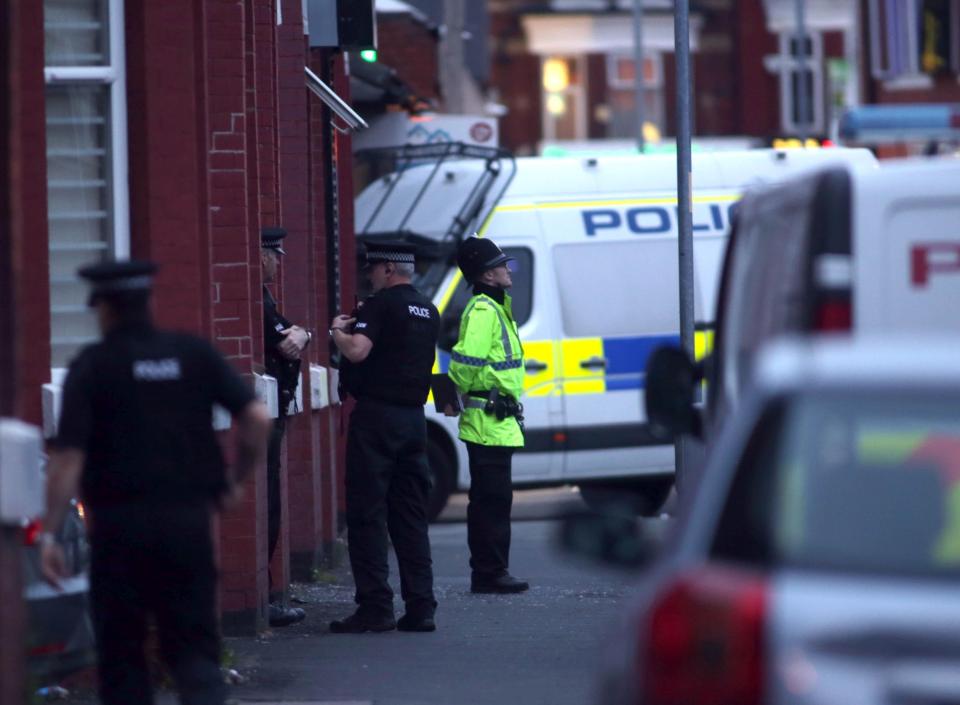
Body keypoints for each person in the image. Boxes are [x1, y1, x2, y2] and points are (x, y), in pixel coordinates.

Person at [40, 260, 271, 705]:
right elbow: (257, 417)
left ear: (103, 308)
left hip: (117, 529)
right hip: (186, 526)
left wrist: (49, 533)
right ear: (148, 302)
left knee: (123, 657)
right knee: (194, 654)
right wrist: (234, 479)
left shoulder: (94, 365)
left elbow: (68, 457)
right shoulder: (192, 353)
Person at [329, 241, 440, 633]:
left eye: (373, 269)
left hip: (376, 420)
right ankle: (421, 607)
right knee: (410, 516)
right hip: (414, 421)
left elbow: (357, 352)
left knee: (367, 514)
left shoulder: (379, 306)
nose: (369, 276)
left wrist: (337, 333)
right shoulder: (428, 309)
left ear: (389, 269)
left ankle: (375, 607)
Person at [449, 236, 529, 594]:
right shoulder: (484, 310)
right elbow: (465, 364)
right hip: (487, 423)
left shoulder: (496, 307)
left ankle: (492, 570)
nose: (507, 269)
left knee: (493, 501)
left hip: (496, 423)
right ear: (486, 275)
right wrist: (454, 392)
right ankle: (489, 572)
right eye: (501, 265)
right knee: (491, 503)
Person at [260, 226, 312, 627]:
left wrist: (303, 332)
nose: (278, 264)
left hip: (274, 411)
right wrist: (299, 333)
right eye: (275, 255)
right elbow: (285, 342)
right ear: (261, 255)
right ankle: (264, 596)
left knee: (272, 505)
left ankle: (267, 594)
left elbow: (294, 334)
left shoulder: (266, 298)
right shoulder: (257, 298)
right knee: (267, 506)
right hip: (266, 415)